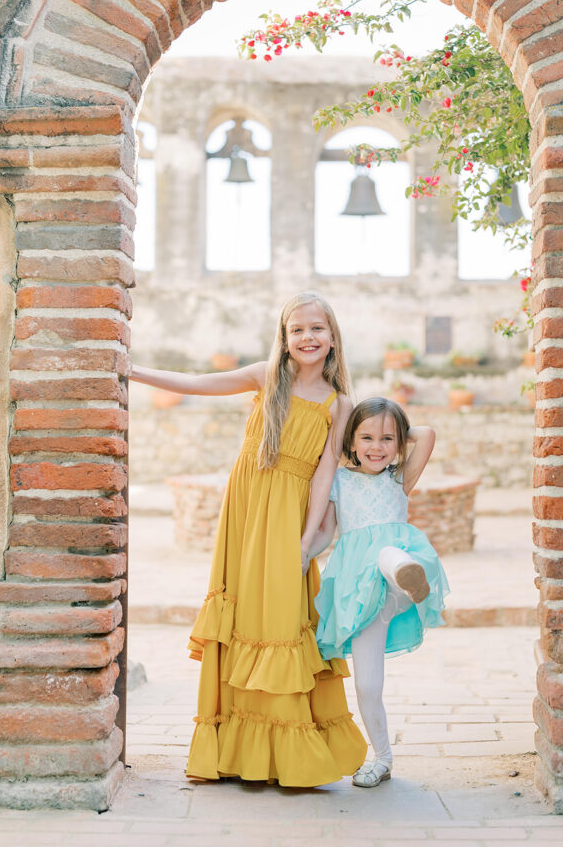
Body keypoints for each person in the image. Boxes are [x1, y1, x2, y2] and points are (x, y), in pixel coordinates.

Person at [129, 292, 367, 786]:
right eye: (296, 329)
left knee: (278, 618)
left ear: (332, 337)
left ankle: (285, 752)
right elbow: (197, 383)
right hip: (246, 509)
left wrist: (307, 541)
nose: (307, 337)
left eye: (317, 329)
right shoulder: (266, 378)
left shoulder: (339, 403)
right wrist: (133, 371)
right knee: (242, 615)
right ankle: (239, 752)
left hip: (288, 518)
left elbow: (326, 473)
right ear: (283, 338)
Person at [309, 397, 449, 788]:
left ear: (400, 444)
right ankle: (383, 758)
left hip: (397, 580)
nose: (377, 447)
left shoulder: (398, 478)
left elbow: (428, 434)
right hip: (363, 598)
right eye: (367, 438)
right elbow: (325, 533)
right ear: (350, 442)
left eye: (388, 439)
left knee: (388, 554)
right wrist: (304, 554)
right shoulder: (338, 481)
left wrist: (399, 436)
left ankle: (407, 573)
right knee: (368, 685)